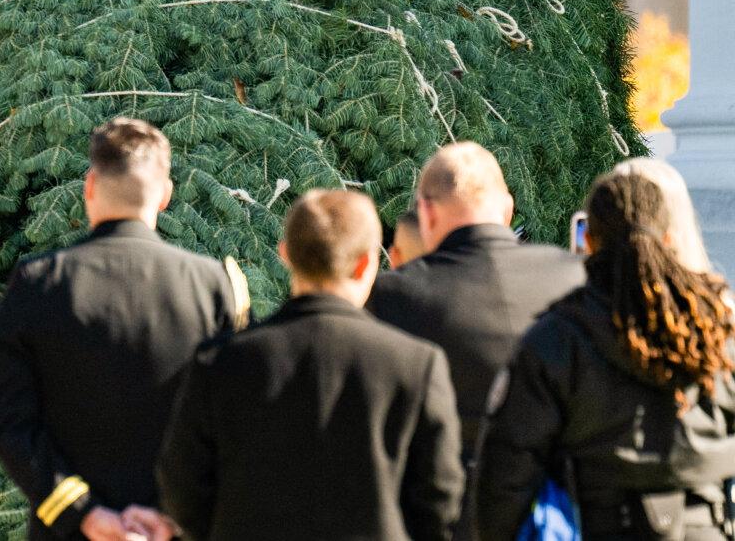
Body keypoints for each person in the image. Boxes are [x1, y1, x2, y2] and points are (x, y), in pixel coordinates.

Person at [0, 118, 249, 541]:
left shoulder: (38, 283)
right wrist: (170, 517)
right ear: (166, 194)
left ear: (89, 186)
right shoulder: (214, 286)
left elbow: (8, 421)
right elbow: (237, 424)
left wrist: (85, 514)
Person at [157, 189, 463, 540]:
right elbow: (439, 498)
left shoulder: (221, 361)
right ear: (366, 263)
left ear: (285, 254)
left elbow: (182, 487)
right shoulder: (416, 365)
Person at [475, 166, 735, 539]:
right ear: (669, 238)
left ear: (589, 242)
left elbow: (504, 475)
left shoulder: (557, 338)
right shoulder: (719, 330)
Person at [366, 142, 585, 459]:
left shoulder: (389, 296)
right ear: (508, 209)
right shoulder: (578, 277)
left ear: (426, 214)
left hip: (441, 482)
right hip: (558, 482)